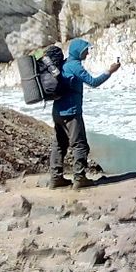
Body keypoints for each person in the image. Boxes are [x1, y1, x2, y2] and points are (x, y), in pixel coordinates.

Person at [49, 38, 120, 189]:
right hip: (71, 112)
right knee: (80, 145)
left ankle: (56, 179)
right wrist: (110, 71)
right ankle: (79, 178)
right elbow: (93, 82)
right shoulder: (75, 66)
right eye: (85, 50)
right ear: (78, 51)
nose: (87, 53)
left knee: (59, 144)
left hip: (57, 112)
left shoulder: (64, 64)